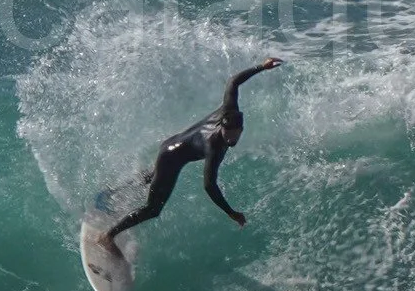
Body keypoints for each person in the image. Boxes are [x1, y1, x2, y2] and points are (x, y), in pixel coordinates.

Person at [101, 58, 283, 250]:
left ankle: (113, 193)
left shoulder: (230, 109)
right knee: (153, 209)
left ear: (241, 129)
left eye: (233, 137)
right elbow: (209, 185)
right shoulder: (214, 146)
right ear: (222, 126)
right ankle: (107, 236)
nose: (229, 140)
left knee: (155, 175)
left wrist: (262, 67)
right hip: (171, 157)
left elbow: (233, 81)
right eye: (226, 135)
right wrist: (231, 212)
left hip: (171, 144)